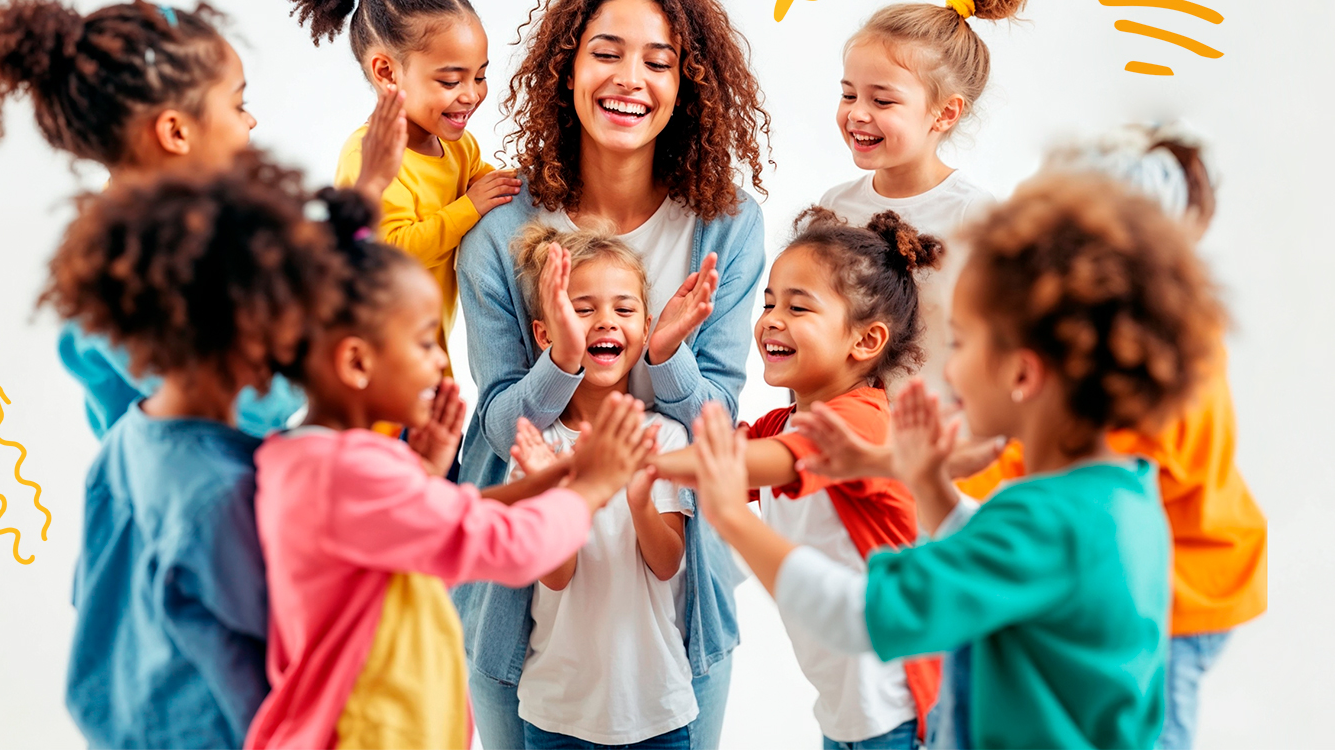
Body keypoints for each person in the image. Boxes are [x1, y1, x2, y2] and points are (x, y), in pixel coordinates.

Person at [689, 173, 1226, 749]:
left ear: (1023, 373)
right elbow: (1000, 558)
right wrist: (929, 483)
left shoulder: (1045, 521)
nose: (947, 369)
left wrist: (732, 518)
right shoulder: (1119, 494)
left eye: (964, 343)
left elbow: (860, 614)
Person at [454, 0, 772, 750]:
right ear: (566, 68)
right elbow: (500, 429)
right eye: (606, 52)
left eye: (659, 61)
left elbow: (715, 425)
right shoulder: (499, 228)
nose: (630, 78)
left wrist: (664, 353)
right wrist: (560, 360)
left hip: (674, 607)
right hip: (522, 606)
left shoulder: (725, 225)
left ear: (687, 83)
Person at [244, 190, 651, 750]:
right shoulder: (349, 474)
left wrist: (439, 473)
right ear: (356, 362)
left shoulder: (313, 458)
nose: (440, 360)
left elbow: (446, 518)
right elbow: (504, 548)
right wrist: (589, 488)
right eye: (421, 343)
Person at [0, 0, 405, 438]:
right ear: (176, 131)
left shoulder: (127, 243)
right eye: (238, 105)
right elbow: (257, 398)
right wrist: (367, 190)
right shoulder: (154, 268)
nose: (251, 122)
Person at [954, 124, 1267, 749]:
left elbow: (1075, 465)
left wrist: (965, 479)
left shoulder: (1164, 359)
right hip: (1150, 575)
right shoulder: (1122, 343)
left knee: (1150, 728)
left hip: (1185, 589)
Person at [39, 152, 347, 748]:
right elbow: (272, 682)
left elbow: (92, 593)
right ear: (246, 331)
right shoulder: (226, 493)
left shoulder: (126, 440)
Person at [654, 209, 945, 749]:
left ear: (865, 341)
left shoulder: (862, 422)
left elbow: (744, 464)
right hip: (845, 711)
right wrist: (665, 353)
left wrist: (637, 461)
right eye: (768, 303)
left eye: (797, 306)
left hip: (900, 706)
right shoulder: (782, 422)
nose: (770, 319)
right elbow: (713, 451)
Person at [287, 0, 521, 359]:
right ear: (387, 73)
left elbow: (490, 185)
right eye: (451, 80)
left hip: (427, 352)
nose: (472, 94)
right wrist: (468, 209)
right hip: (377, 357)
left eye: (481, 75)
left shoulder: (458, 146)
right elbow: (393, 249)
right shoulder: (369, 156)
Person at [506, 224, 696, 749]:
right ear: (547, 334)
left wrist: (638, 499)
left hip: (657, 711)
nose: (605, 321)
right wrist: (555, 491)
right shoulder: (535, 445)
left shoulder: (665, 434)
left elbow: (666, 563)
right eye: (583, 308)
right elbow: (556, 577)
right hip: (557, 714)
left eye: (623, 309)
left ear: (647, 326)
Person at [817, 0, 1027, 408]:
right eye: (848, 93)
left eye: (883, 100)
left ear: (945, 112)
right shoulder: (835, 207)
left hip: (938, 440)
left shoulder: (974, 217)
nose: (857, 113)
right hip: (845, 433)